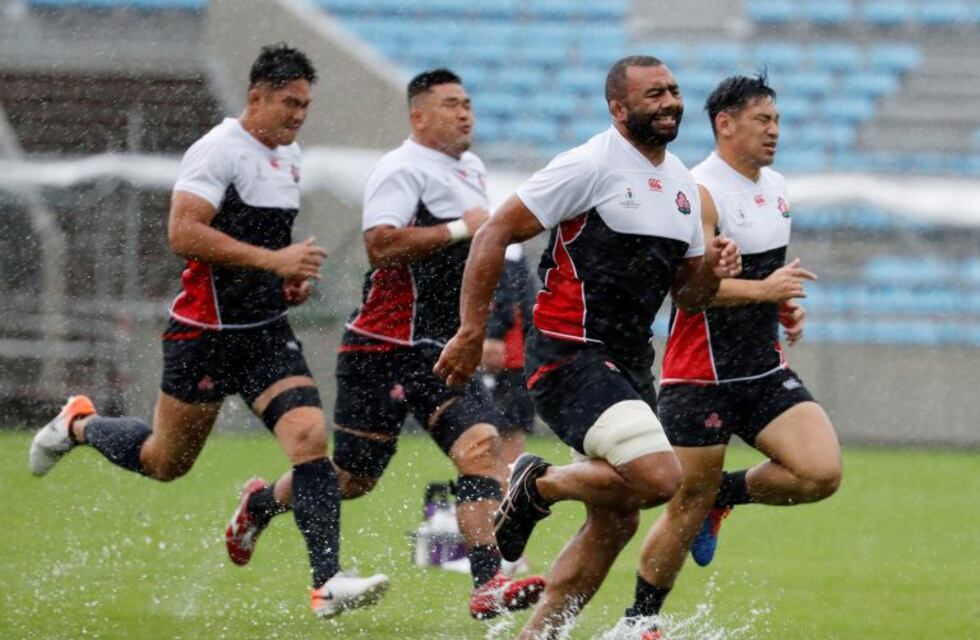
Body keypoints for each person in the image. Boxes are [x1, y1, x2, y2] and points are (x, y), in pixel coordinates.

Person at [27, 44, 389, 620]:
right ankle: (80, 423)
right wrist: (273, 263)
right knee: (165, 461)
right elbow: (183, 234)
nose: (298, 115)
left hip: (265, 333)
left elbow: (264, 250)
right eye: (289, 103)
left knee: (310, 439)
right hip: (204, 335)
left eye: (305, 105)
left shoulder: (288, 156)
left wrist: (287, 281)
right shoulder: (217, 150)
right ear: (257, 97)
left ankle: (327, 582)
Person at [434, 56, 742, 640]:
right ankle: (539, 484)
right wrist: (472, 331)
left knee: (618, 516)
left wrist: (716, 270)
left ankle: (540, 633)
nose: (671, 101)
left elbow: (692, 296)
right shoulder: (589, 163)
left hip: (626, 367)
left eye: (674, 91)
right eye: (654, 94)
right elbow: (495, 231)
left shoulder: (683, 184)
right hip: (568, 350)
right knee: (659, 478)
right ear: (618, 109)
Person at [223, 68, 546, 620]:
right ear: (419, 117)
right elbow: (380, 246)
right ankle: (257, 506)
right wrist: (459, 230)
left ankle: (487, 584)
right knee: (351, 479)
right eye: (450, 104)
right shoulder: (401, 168)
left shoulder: (470, 169)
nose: (465, 113)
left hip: (440, 349)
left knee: (481, 448)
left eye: (468, 103)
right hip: (382, 349)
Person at [624, 73, 842, 636]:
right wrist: (767, 293)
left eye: (777, 121)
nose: (774, 131)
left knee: (820, 473)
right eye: (761, 120)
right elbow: (691, 291)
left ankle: (726, 493)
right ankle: (638, 623)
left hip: (764, 369)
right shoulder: (698, 190)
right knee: (681, 503)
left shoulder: (778, 187)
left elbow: (763, 277)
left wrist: (781, 306)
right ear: (725, 124)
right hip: (701, 376)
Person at [483, 243, 537, 467]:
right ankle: (496, 494)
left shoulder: (504, 242)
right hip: (513, 354)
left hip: (509, 355)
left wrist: (494, 333)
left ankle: (505, 496)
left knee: (507, 434)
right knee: (496, 433)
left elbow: (508, 294)